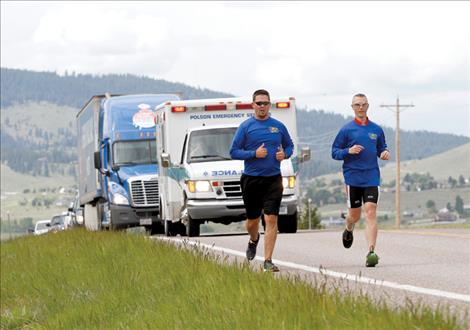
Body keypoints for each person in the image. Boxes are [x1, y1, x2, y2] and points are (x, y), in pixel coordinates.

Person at [230, 89, 294, 272]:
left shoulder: (278, 126)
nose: (262, 106)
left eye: (265, 103)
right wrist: (254, 154)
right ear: (253, 105)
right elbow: (233, 152)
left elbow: (289, 145)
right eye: (259, 103)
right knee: (252, 221)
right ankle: (254, 239)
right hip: (251, 179)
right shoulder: (246, 127)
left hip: (273, 179)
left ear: (269, 105)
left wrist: (285, 154)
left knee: (271, 218)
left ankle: (268, 261)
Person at [331, 93, 390, 267]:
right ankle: (348, 228)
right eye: (357, 105)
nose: (361, 108)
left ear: (368, 106)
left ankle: (371, 252)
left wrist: (384, 153)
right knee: (354, 216)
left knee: (370, 211)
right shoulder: (346, 130)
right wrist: (348, 151)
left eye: (363, 104)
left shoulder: (376, 129)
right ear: (352, 107)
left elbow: (382, 149)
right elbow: (334, 152)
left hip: (372, 177)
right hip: (353, 178)